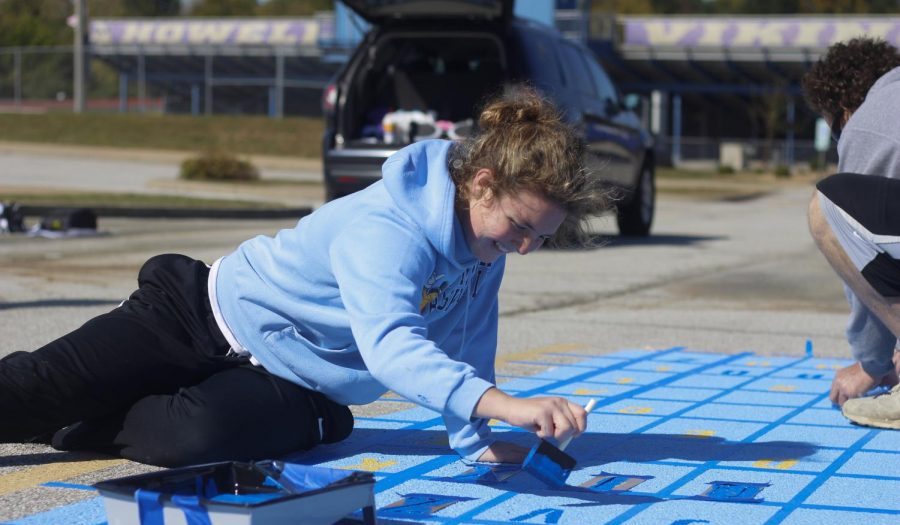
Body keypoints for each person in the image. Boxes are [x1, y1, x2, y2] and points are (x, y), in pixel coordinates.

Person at [0, 87, 609, 467]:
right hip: (197, 317)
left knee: (198, 438)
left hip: (291, 382)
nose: (523, 248)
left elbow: (470, 345)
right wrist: (506, 407)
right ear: (481, 184)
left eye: (539, 238)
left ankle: (83, 417)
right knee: (32, 388)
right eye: (518, 227)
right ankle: (75, 401)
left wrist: (475, 440)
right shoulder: (388, 228)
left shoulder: (487, 249)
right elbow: (393, 344)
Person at [803, 37, 900, 426]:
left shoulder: (866, 124)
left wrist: (872, 363)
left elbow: (864, 255)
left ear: (842, 109)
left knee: (827, 207)